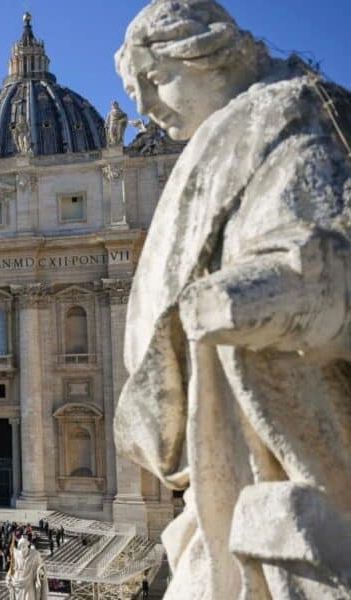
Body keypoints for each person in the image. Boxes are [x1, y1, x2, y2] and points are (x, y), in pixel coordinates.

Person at [115, 2, 351, 599]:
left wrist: (254, 295)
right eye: (136, 92)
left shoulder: (295, 114)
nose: (145, 107)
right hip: (226, 464)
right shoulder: (222, 138)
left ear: (207, 52)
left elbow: (328, 253)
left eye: (155, 79)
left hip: (293, 453)